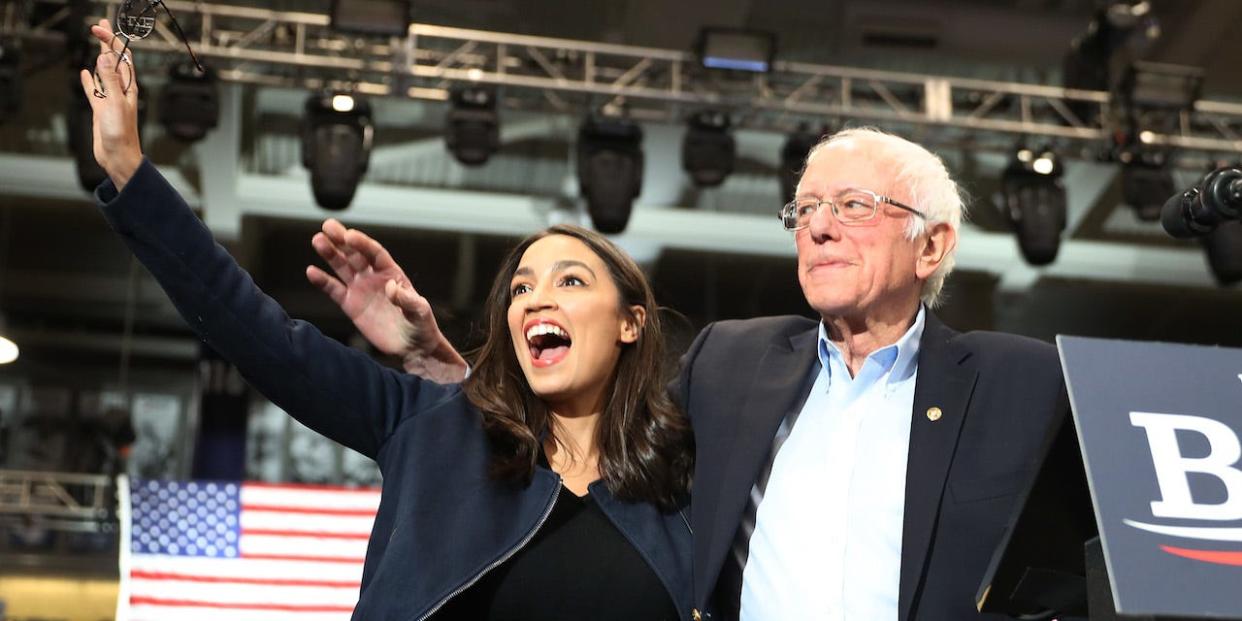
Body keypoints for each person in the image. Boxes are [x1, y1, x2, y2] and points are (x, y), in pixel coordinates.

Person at [78, 19, 693, 620]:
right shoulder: (434, 430)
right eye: (521, 287)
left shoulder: (684, 483)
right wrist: (132, 174)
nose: (534, 299)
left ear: (630, 323)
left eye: (571, 281)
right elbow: (258, 335)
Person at [323, 128, 1070, 620]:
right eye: (805, 208)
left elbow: (1080, 571)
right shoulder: (731, 362)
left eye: (852, 205)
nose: (817, 225)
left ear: (931, 247)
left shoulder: (1023, 382)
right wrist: (445, 371)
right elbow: (600, 445)